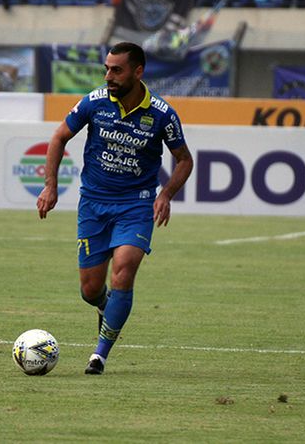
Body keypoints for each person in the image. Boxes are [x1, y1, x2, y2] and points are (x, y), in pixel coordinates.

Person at [36, 42, 194, 375]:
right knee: (90, 289)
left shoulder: (162, 114)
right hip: (93, 204)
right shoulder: (94, 103)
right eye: (107, 69)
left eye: (116, 70)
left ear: (138, 72)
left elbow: (184, 159)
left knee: (124, 269)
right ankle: (107, 308)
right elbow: (58, 137)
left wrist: (165, 194)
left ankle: (99, 355)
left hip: (135, 206)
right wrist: (50, 186)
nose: (109, 76)